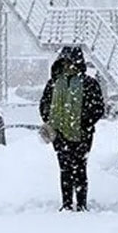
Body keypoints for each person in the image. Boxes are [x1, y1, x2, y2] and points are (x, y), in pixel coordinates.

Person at [39, 46, 104, 211]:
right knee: (65, 169)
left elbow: (98, 108)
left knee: (80, 168)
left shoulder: (89, 83)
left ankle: (81, 204)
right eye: (65, 62)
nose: (68, 66)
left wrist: (84, 123)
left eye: (71, 62)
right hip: (59, 134)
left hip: (83, 135)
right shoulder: (54, 83)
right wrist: (51, 123)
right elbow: (44, 105)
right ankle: (66, 203)